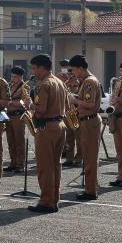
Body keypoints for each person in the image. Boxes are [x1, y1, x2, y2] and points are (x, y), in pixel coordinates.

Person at [27, 54, 67, 213]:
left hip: (47, 127)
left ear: (42, 67)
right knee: (55, 165)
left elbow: (41, 109)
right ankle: (54, 200)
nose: (33, 72)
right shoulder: (59, 82)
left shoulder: (43, 84)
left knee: (45, 167)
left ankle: (46, 202)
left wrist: (30, 105)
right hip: (60, 125)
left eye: (34, 68)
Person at [68, 54, 102, 200]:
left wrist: (74, 100)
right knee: (88, 157)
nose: (73, 73)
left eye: (74, 70)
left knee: (90, 158)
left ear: (81, 68)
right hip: (85, 121)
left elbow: (90, 104)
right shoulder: (85, 81)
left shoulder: (89, 82)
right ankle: (91, 187)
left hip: (90, 122)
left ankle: (91, 191)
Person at [4, 66, 29, 172]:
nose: (12, 78)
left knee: (19, 141)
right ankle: (13, 162)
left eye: (14, 77)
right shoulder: (10, 86)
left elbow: (24, 103)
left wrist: (10, 103)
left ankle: (20, 164)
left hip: (18, 116)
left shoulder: (24, 87)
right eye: (12, 76)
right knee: (10, 140)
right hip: (9, 115)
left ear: (20, 77)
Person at [60, 59, 81, 167]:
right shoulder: (66, 84)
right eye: (69, 74)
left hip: (77, 113)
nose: (70, 76)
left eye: (72, 74)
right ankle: (69, 158)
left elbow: (81, 97)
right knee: (69, 137)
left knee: (78, 137)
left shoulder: (80, 83)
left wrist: (73, 96)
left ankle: (79, 158)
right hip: (68, 113)